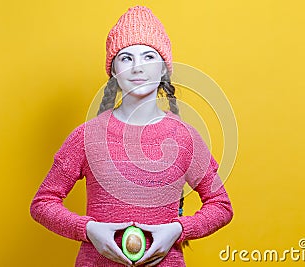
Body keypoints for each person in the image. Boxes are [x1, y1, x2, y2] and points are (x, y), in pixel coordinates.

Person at [30, 6, 233, 267]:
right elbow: (42, 203)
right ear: (113, 71)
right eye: (126, 58)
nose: (138, 67)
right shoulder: (87, 137)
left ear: (163, 69)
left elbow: (221, 206)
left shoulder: (185, 138)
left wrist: (177, 230)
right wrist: (89, 229)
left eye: (149, 56)